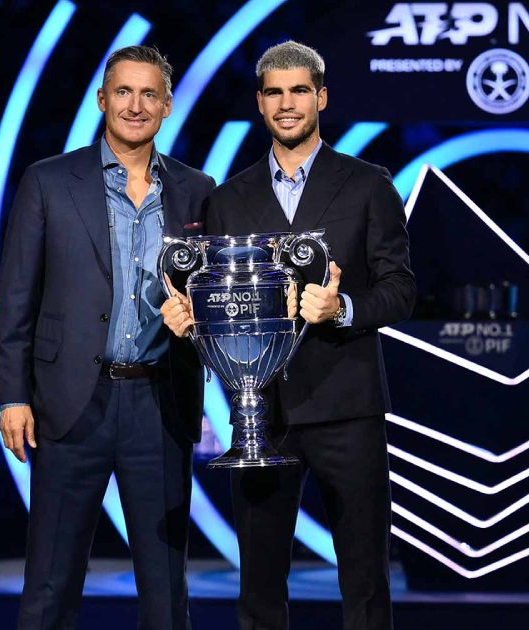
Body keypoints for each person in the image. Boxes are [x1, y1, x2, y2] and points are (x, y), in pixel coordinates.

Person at [170, 40, 415, 630]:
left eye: (299, 90)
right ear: (259, 103)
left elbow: (402, 290)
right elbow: (216, 304)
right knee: (258, 583)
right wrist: (188, 321)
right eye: (275, 92)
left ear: (321, 97)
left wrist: (343, 307)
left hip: (347, 409)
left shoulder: (367, 184)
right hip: (263, 414)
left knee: (364, 580)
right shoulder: (227, 199)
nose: (288, 103)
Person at [0, 45, 214, 630]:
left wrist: (200, 316)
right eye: (123, 92)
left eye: (148, 95)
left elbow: (216, 295)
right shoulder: (48, 180)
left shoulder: (198, 190)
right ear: (101, 100)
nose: (134, 106)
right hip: (68, 402)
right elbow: (16, 296)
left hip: (160, 403)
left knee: (166, 587)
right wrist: (12, 395)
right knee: (50, 582)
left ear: (166, 106)